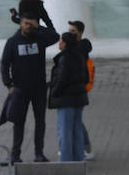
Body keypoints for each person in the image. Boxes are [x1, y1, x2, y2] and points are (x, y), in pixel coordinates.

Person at [1, 12, 60, 165]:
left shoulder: (40, 39)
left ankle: (39, 153)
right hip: (20, 89)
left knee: (40, 122)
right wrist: (9, 85)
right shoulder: (13, 42)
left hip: (39, 88)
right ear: (20, 23)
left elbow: (55, 36)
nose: (28, 26)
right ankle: (15, 155)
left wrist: (38, 26)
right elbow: (4, 64)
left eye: (30, 23)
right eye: (25, 23)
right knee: (18, 122)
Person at [49, 31, 89, 162]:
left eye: (61, 41)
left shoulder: (64, 58)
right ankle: (79, 161)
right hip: (79, 98)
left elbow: (62, 79)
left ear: (65, 43)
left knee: (64, 133)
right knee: (77, 131)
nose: (59, 43)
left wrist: (54, 92)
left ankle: (66, 163)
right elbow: (86, 78)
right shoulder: (80, 56)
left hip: (66, 100)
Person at [68, 20, 95, 160]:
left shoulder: (83, 45)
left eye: (73, 31)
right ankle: (83, 147)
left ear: (80, 32)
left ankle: (85, 148)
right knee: (75, 119)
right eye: (69, 31)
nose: (70, 33)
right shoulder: (73, 46)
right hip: (74, 89)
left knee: (75, 119)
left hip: (79, 89)